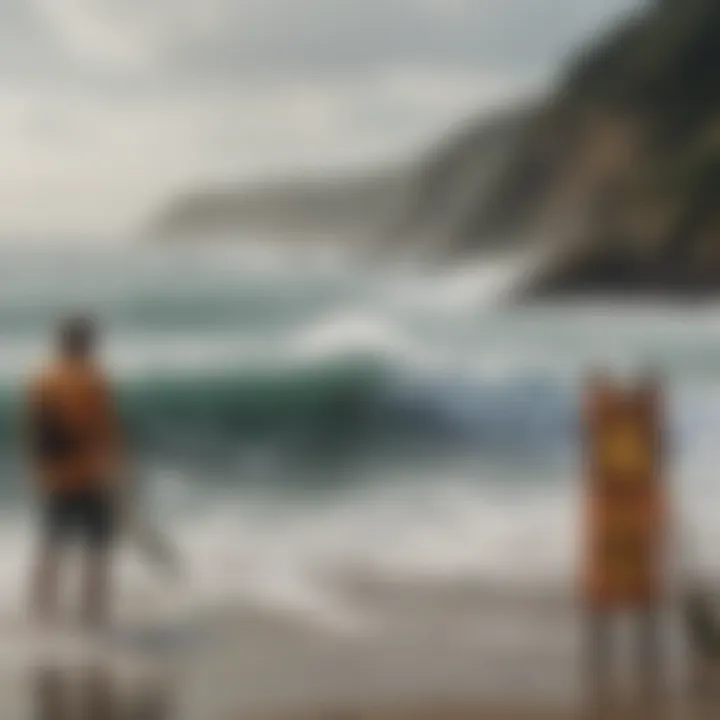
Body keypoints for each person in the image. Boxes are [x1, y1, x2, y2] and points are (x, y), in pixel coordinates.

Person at [27, 316, 124, 628]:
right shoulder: (93, 381)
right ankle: (93, 617)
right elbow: (106, 431)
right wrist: (117, 473)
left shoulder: (43, 382)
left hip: (54, 476)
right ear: (85, 344)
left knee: (52, 545)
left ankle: (42, 612)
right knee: (97, 549)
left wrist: (39, 472)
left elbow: (36, 432)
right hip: (89, 475)